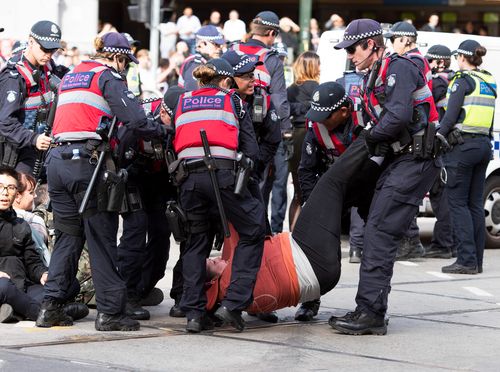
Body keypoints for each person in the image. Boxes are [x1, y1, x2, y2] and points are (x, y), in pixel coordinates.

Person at [36, 32, 167, 331]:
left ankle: (51, 306)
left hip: (57, 161)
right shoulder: (107, 77)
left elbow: (54, 118)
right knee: (102, 237)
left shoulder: (71, 76)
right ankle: (110, 312)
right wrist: (161, 132)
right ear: (117, 57)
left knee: (68, 238)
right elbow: (135, 119)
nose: (126, 67)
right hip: (87, 165)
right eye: (126, 62)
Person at [330, 19, 439, 335]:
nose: (350, 56)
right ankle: (368, 308)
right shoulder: (370, 78)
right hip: (399, 159)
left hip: (416, 159)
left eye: (353, 49)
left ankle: (371, 314)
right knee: (373, 223)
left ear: (372, 45)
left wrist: (367, 141)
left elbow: (398, 117)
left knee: (378, 229)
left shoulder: (398, 68)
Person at [171, 58, 266, 333]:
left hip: (187, 179)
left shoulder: (183, 101)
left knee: (194, 242)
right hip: (223, 177)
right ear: (225, 81)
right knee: (253, 230)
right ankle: (233, 305)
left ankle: (194, 314)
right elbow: (252, 152)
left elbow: (172, 142)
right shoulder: (233, 101)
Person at [0, 166, 88, 323]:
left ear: (16, 193)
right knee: (3, 287)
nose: (5, 193)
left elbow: (32, 262)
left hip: (22, 286)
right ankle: (50, 313)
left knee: (67, 282)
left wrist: (43, 274)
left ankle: (17, 310)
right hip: (3, 286)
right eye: (0, 187)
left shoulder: (21, 225)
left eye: (11, 188)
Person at [438, 40, 496, 274]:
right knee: (474, 205)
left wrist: (438, 136)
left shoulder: (462, 81)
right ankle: (476, 261)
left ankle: (465, 260)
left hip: (462, 148)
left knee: (457, 203)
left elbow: (450, 116)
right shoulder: (488, 80)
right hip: (483, 146)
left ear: (462, 58)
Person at [385, 21, 440, 260]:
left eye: (393, 40)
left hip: (417, 132)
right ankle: (411, 241)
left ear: (405, 40)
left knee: (405, 191)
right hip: (422, 129)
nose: (390, 46)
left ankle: (410, 242)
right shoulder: (418, 59)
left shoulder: (412, 61)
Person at [0, 20, 68, 174]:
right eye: (44, 49)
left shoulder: (51, 69)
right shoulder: (14, 76)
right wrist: (34, 139)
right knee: (23, 194)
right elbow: (5, 122)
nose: (49, 55)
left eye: (53, 50)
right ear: (31, 41)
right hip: (18, 152)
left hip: (45, 150)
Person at [423, 45, 455, 259]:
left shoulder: (438, 83)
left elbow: (438, 115)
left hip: (439, 146)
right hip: (450, 145)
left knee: (440, 196)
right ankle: (447, 243)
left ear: (438, 62)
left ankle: (443, 244)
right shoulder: (453, 80)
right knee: (445, 196)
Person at [286, 51, 320, 231]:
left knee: (298, 192)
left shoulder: (291, 89)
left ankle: (293, 235)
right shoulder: (317, 88)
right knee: (313, 189)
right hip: (311, 136)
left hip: (295, 137)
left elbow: (285, 109)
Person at [178, 25, 225, 91]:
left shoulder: (209, 61)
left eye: (220, 45)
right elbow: (192, 95)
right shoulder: (195, 64)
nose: (219, 48)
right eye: (216, 44)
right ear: (202, 44)